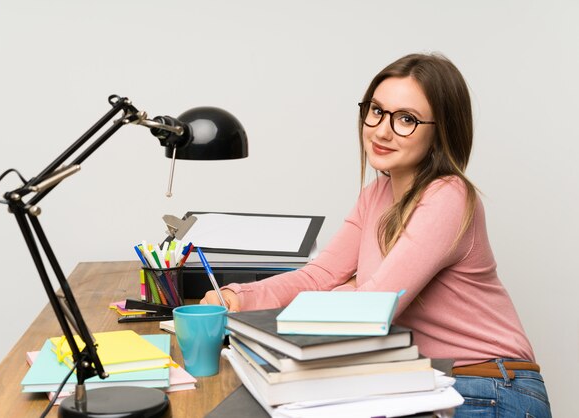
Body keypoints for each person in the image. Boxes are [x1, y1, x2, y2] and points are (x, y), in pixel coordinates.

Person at [200, 52, 552, 417]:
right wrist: (236, 297)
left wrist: (351, 290)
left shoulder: (448, 195)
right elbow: (320, 276)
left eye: (407, 119)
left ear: (440, 132)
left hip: (487, 385)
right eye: (376, 110)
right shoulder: (376, 195)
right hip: (426, 383)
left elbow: (376, 306)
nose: (382, 130)